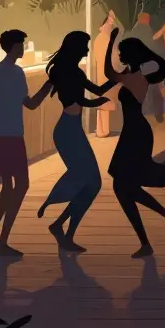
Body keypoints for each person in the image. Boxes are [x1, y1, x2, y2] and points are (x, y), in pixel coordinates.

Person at [105, 28, 165, 258]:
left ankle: (152, 234)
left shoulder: (135, 78)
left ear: (130, 54)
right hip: (133, 131)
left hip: (137, 132)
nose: (118, 55)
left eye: (120, 52)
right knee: (123, 187)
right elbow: (110, 79)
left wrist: (110, 41)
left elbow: (109, 72)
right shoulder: (132, 74)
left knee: (122, 186)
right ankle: (162, 220)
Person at [38, 31, 114, 253]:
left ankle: (61, 228)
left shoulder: (76, 72)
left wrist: (118, 78)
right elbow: (78, 99)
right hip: (67, 132)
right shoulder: (66, 72)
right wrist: (98, 102)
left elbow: (97, 90)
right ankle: (56, 214)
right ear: (76, 48)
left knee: (92, 183)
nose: (87, 50)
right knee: (86, 178)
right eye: (85, 46)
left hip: (73, 129)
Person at [0, 29, 53, 256]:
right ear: (12, 47)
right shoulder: (10, 73)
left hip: (7, 135)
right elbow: (29, 104)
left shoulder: (4, 72)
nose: (23, 48)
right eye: (21, 44)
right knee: (19, 185)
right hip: (8, 136)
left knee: (11, 187)